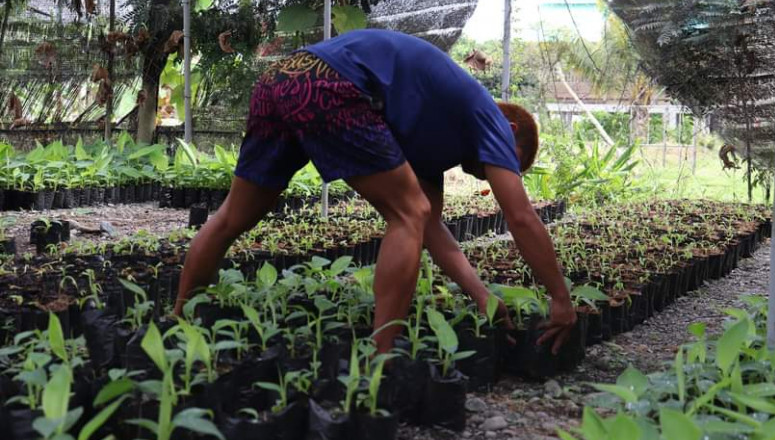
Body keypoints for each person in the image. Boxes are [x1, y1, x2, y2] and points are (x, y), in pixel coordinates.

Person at [173, 29, 577, 354]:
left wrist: (482, 295)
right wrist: (560, 297)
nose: (492, 175)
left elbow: (432, 228)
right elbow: (520, 216)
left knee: (233, 218)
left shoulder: (433, 128)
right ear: (509, 133)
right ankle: (382, 355)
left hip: (281, 78)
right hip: (328, 82)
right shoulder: (490, 115)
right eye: (507, 161)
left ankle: (178, 323)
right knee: (408, 213)